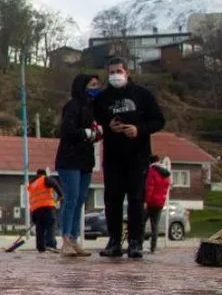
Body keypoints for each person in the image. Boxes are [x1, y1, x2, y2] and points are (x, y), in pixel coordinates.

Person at [93, 57, 165, 259]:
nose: (115, 75)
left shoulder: (142, 95)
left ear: (127, 72)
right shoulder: (103, 98)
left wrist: (139, 129)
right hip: (113, 155)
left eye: (118, 71)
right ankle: (114, 241)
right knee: (112, 199)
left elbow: (159, 120)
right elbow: (96, 121)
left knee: (136, 199)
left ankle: (136, 242)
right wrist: (109, 126)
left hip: (138, 155)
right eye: (111, 72)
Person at [54, 73, 102, 257]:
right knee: (71, 198)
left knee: (81, 199)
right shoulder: (72, 106)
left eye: (97, 84)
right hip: (69, 159)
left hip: (85, 159)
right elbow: (67, 130)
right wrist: (86, 133)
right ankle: (66, 238)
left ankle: (74, 237)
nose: (95, 88)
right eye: (92, 84)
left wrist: (98, 133)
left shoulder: (93, 107)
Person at [26, 168, 62, 253]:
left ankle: (40, 247)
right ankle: (50, 244)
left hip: (36, 209)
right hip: (47, 207)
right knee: (50, 225)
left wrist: (33, 216)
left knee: (39, 228)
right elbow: (54, 184)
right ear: (44, 174)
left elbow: (33, 198)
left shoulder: (32, 184)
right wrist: (60, 195)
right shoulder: (45, 179)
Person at [143, 154, 172, 253]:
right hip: (160, 203)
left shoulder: (152, 171)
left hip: (151, 202)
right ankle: (153, 247)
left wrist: (146, 201)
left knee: (141, 222)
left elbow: (150, 188)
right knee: (155, 225)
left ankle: (139, 244)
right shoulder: (165, 173)